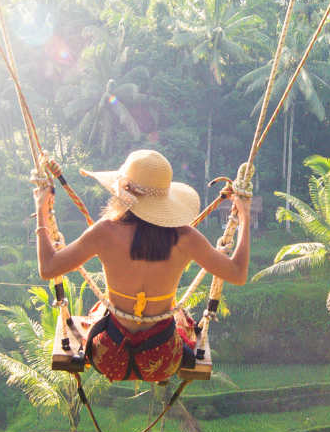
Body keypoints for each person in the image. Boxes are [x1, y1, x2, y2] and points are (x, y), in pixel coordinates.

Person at [33, 148, 250, 382]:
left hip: (108, 356)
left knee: (98, 312)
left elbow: (48, 268)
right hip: (163, 359)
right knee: (180, 318)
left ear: (122, 193)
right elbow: (238, 274)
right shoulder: (186, 238)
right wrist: (244, 216)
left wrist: (41, 209)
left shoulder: (104, 232)